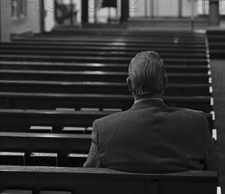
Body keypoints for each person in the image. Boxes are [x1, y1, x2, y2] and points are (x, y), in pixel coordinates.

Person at [84, 50, 218, 172]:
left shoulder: (103, 129)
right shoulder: (196, 122)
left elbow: (88, 178)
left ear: (129, 84)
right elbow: (216, 169)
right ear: (165, 82)